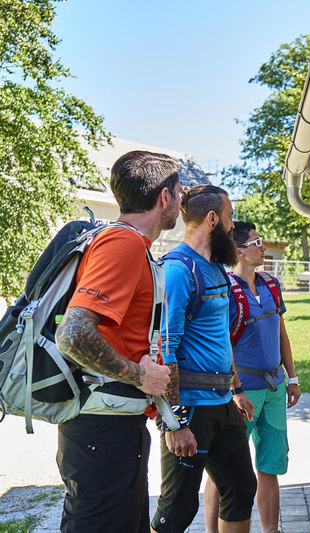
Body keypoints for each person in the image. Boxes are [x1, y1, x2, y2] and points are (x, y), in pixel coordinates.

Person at [54, 150, 178, 533]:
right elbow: (72, 334)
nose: (181, 199)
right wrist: (138, 376)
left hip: (113, 430)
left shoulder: (130, 245)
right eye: (179, 190)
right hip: (102, 433)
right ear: (163, 198)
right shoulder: (122, 245)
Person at [150, 185, 257, 533]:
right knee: (178, 508)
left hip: (225, 403)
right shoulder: (179, 270)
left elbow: (221, 339)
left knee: (241, 489)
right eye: (227, 219)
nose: (231, 226)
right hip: (191, 410)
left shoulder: (216, 270)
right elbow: (165, 349)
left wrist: (237, 388)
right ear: (212, 220)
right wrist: (174, 422)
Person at [203, 221, 301, 533]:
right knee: (224, 471)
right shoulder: (226, 292)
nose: (264, 247)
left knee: (269, 465)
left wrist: (292, 377)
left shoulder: (271, 285)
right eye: (257, 242)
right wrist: (236, 390)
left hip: (274, 388)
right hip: (243, 393)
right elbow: (222, 344)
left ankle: (271, 530)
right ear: (239, 251)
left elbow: (281, 332)